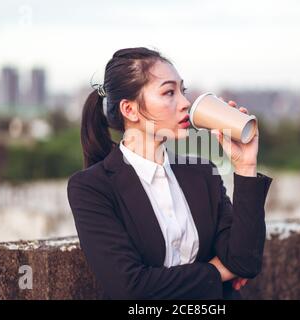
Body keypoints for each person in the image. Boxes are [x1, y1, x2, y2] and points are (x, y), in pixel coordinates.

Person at [67, 47, 273, 299]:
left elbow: (244, 262)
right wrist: (215, 272)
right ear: (129, 110)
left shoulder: (202, 173)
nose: (185, 103)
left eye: (182, 91)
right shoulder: (92, 187)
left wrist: (246, 166)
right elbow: (129, 288)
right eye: (168, 92)